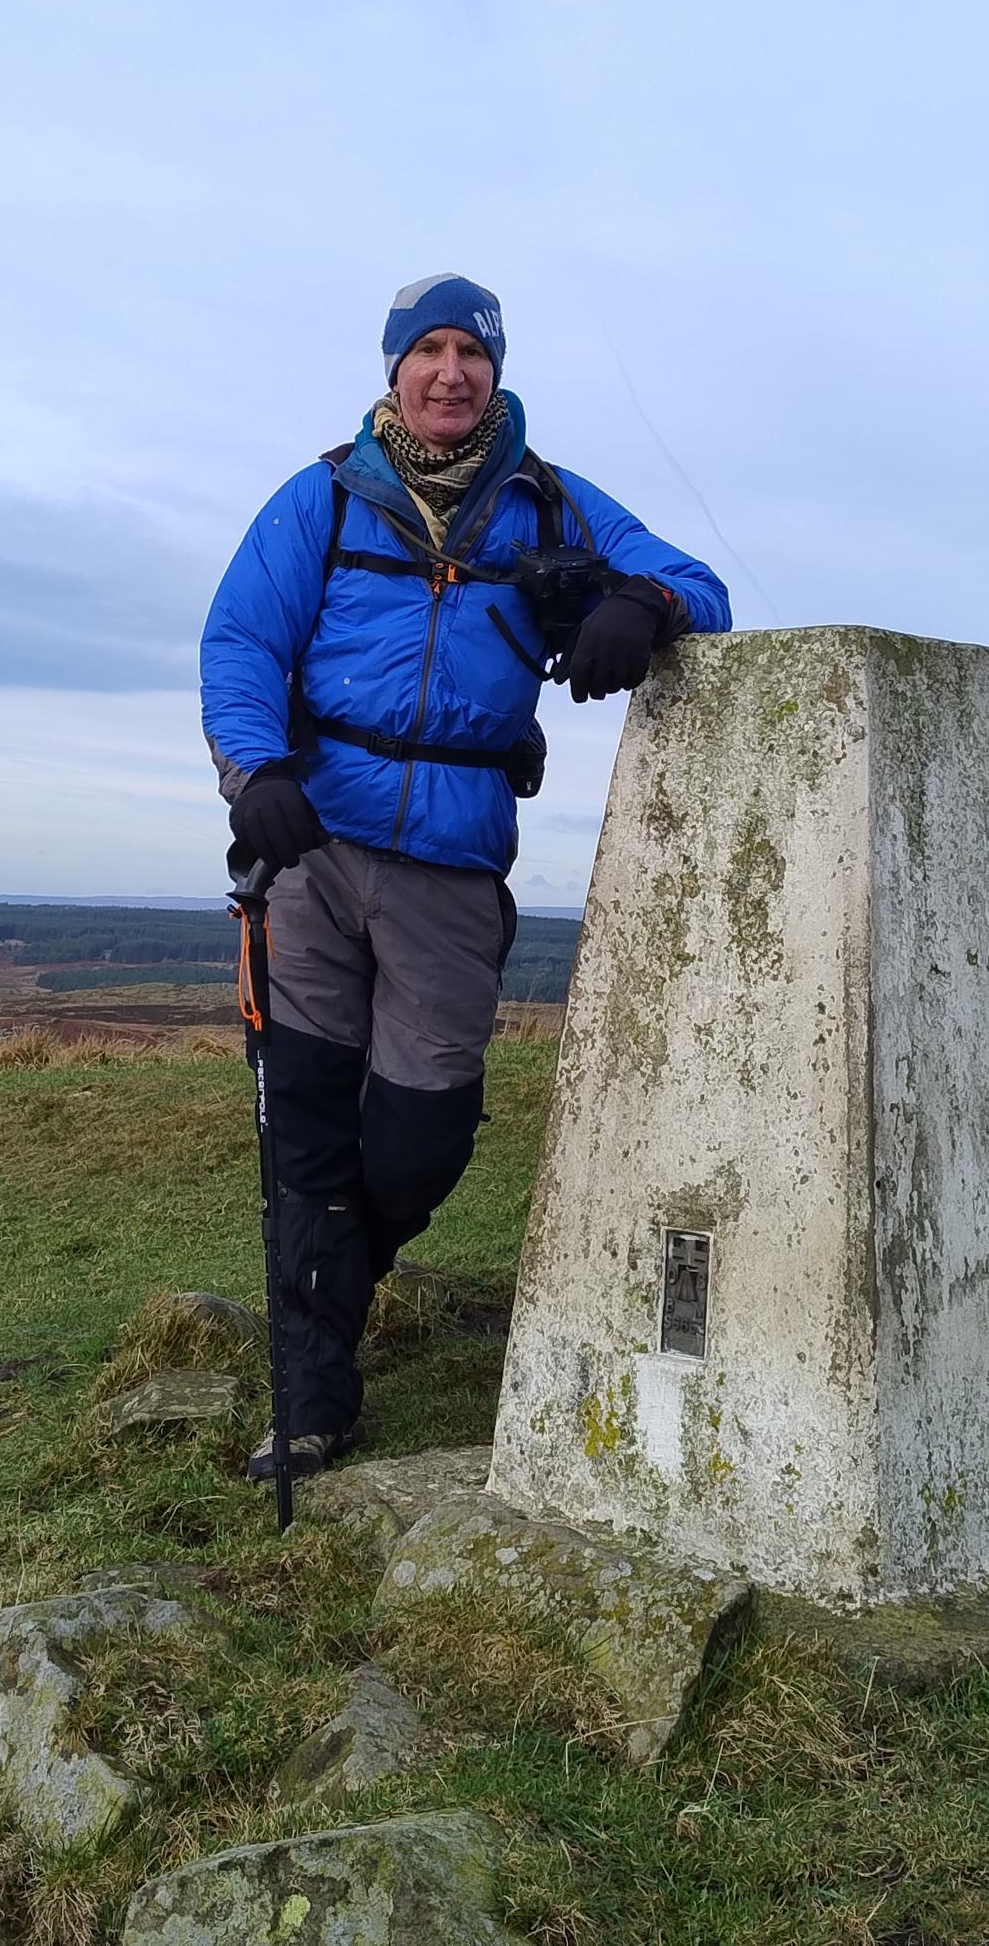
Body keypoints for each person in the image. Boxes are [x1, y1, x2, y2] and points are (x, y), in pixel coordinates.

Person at [199, 274, 731, 1481]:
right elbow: (240, 641)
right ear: (392, 371)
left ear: (495, 373)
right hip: (310, 852)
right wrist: (257, 772)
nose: (449, 373)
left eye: (469, 354)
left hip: (449, 861)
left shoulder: (548, 505)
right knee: (308, 1132)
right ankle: (312, 1396)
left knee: (419, 1139)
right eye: (425, 351)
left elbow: (705, 586)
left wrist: (638, 604)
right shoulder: (322, 499)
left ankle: (340, 1270)